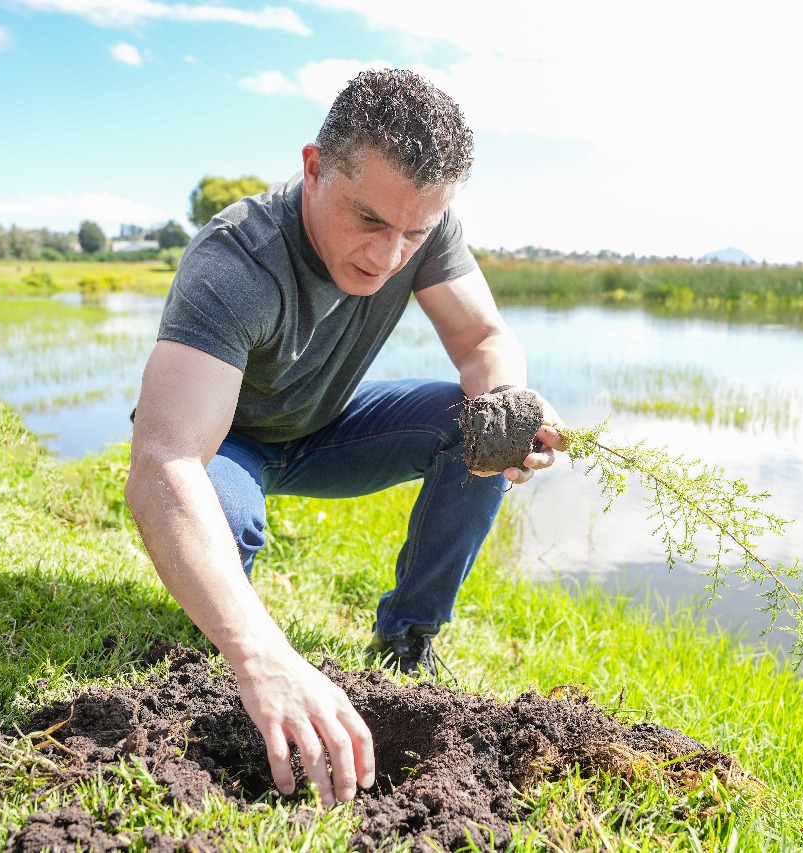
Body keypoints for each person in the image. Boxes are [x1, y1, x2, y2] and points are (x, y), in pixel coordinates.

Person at [124, 68, 564, 810]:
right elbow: (164, 460)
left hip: (326, 426)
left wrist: (507, 416)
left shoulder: (423, 227)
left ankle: (407, 640)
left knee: (472, 423)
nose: (389, 256)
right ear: (314, 168)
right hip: (227, 442)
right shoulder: (237, 262)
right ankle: (224, 654)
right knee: (225, 518)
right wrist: (264, 654)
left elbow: (483, 339)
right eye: (369, 221)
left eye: (413, 233)